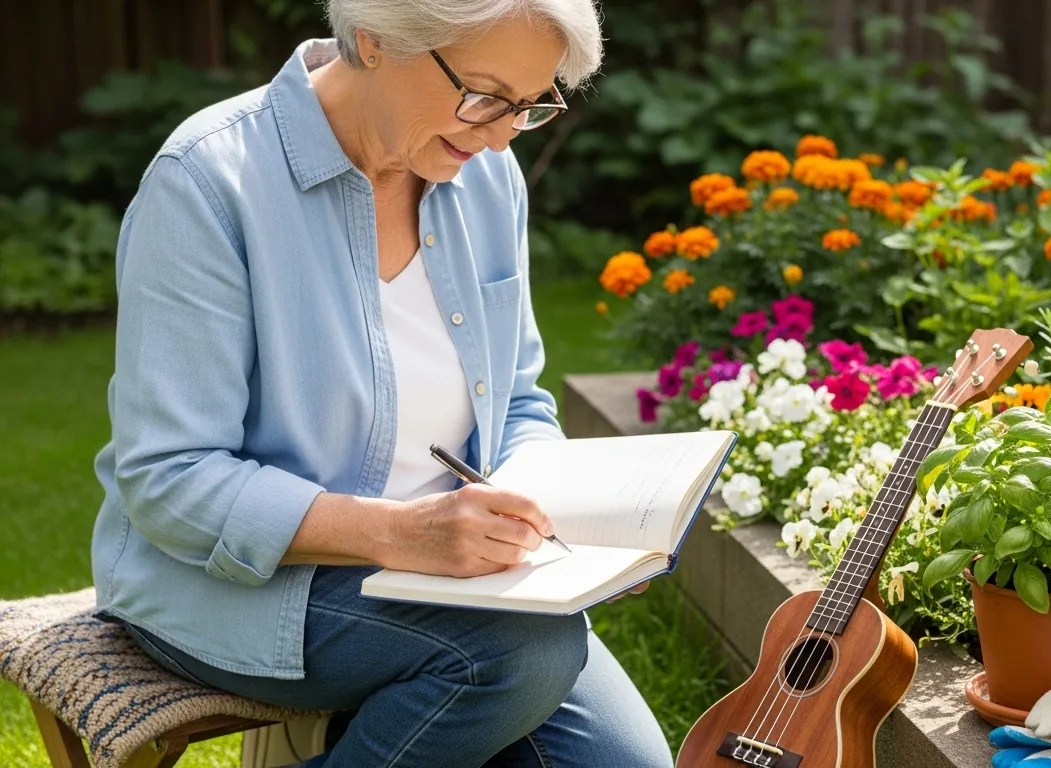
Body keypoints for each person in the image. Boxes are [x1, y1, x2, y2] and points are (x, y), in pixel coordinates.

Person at [87, 1, 670, 765]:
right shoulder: (206, 181)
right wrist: (401, 535)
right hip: (247, 584)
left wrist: (570, 520)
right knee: (522, 657)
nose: (501, 135)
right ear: (374, 41)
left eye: (530, 106)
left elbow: (519, 399)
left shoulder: (487, 176)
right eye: (487, 95)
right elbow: (169, 480)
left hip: (462, 582)